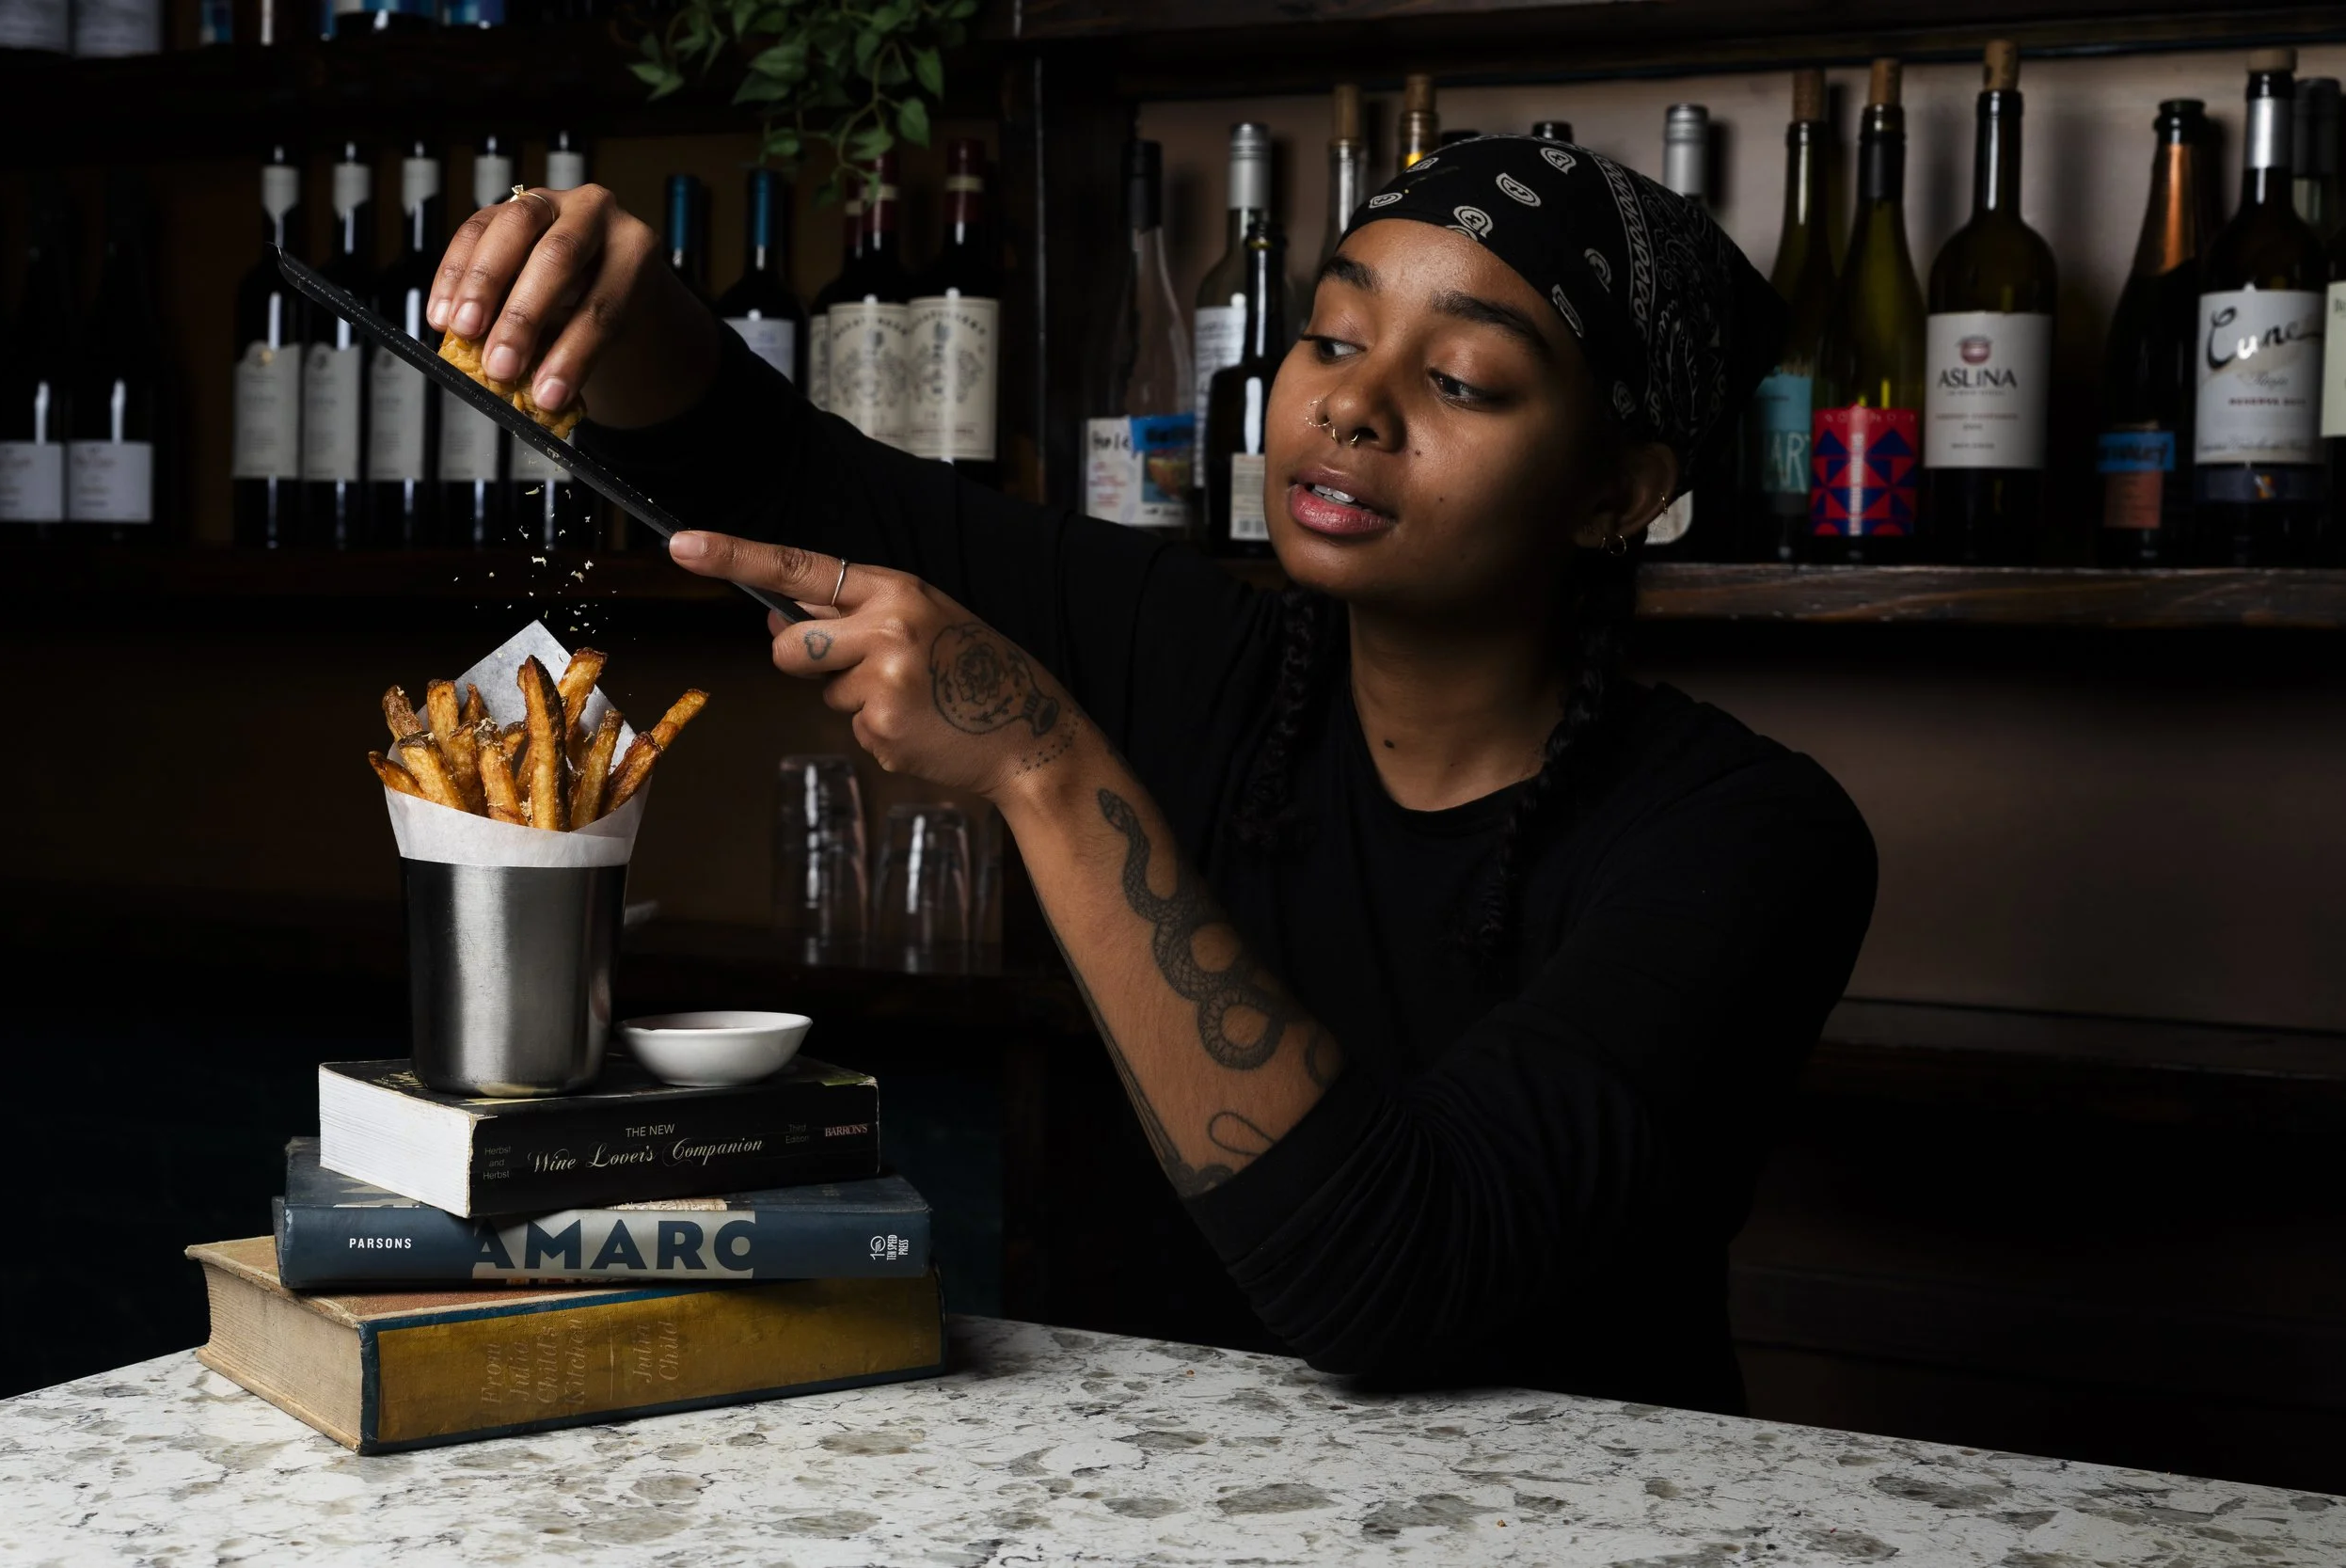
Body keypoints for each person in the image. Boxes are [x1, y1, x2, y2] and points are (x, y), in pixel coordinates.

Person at [426, 138, 1876, 1414]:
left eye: (1460, 378)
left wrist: (1045, 764)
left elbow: (1395, 1272)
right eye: (1327, 337)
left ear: (1622, 490)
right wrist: (618, 298)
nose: (1351, 407)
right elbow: (775, 465)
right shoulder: (1192, 645)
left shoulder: (1749, 841)